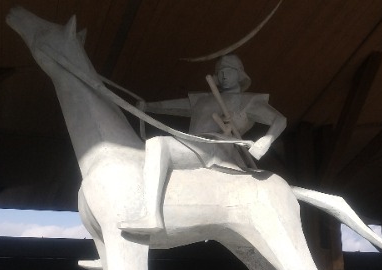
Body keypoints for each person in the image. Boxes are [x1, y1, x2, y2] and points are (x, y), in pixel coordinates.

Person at [118, 54, 287, 234]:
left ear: (239, 75)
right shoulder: (203, 99)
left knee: (158, 145)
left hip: (216, 147)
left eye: (228, 71)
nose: (223, 75)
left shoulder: (248, 101)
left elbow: (279, 120)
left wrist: (265, 141)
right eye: (220, 72)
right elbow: (173, 106)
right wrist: (149, 106)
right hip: (193, 144)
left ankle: (152, 216)